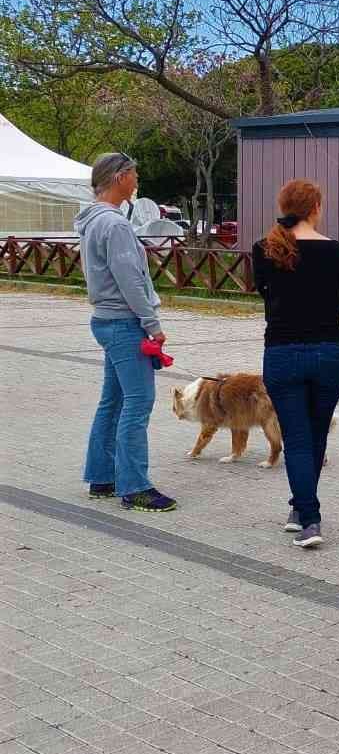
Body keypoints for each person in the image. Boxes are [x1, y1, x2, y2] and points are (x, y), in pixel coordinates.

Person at [251, 179, 339, 548]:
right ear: (316, 207)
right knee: (317, 432)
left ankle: (301, 510)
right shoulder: (338, 251)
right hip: (330, 352)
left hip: (282, 353)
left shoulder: (264, 249)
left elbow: (263, 292)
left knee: (296, 438)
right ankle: (310, 519)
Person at [77, 153, 175, 511]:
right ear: (119, 177)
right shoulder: (115, 225)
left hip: (106, 319)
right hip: (124, 322)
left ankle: (102, 475)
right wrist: (152, 324)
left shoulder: (93, 221)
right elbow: (130, 279)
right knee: (138, 403)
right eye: (134, 174)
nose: (137, 181)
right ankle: (135, 486)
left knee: (114, 400)